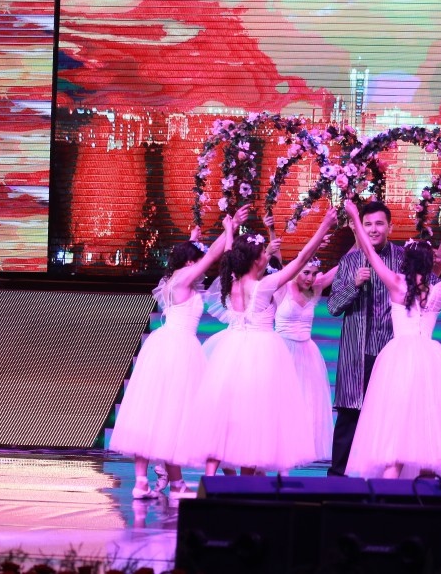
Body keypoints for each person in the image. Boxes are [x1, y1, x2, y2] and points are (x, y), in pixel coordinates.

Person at [177, 207, 337, 476]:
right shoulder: (263, 286)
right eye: (263, 252)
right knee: (253, 419)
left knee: (227, 415)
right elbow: (301, 259)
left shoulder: (231, 282)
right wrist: (324, 226)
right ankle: (245, 484)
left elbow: (229, 255)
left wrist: (230, 232)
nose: (267, 255)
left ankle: (211, 478)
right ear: (254, 260)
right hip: (259, 356)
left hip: (232, 352)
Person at [342, 200, 441, 479]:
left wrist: (356, 219)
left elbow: (369, 252)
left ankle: (389, 495)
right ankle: (425, 492)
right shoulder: (439, 290)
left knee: (395, 426)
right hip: (431, 360)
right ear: (430, 263)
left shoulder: (396, 283)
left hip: (398, 359)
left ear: (405, 262)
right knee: (428, 424)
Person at [109, 209, 244, 499]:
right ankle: (175, 483)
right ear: (190, 263)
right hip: (179, 349)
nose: (202, 267)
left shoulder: (173, 279)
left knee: (156, 414)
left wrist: (196, 238)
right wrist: (229, 229)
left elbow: (204, 256)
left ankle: (145, 481)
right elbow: (212, 256)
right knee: (172, 416)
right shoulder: (183, 279)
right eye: (197, 260)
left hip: (163, 346)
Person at [325, 200, 407, 476]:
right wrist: (354, 284)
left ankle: (382, 479)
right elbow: (333, 306)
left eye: (379, 224)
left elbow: (430, 283)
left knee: (390, 415)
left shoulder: (403, 259)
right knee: (349, 415)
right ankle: (338, 480)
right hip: (356, 352)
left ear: (390, 227)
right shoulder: (350, 261)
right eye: (368, 224)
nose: (373, 229)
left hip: (391, 350)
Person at [274, 256, 339, 461]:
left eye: (313, 274)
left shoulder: (315, 289)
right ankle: (278, 447)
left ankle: (298, 448)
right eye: (306, 273)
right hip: (283, 350)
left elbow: (340, 267)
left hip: (307, 353)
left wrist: (359, 245)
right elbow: (276, 262)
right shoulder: (283, 288)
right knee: (282, 401)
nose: (310, 278)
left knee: (307, 401)